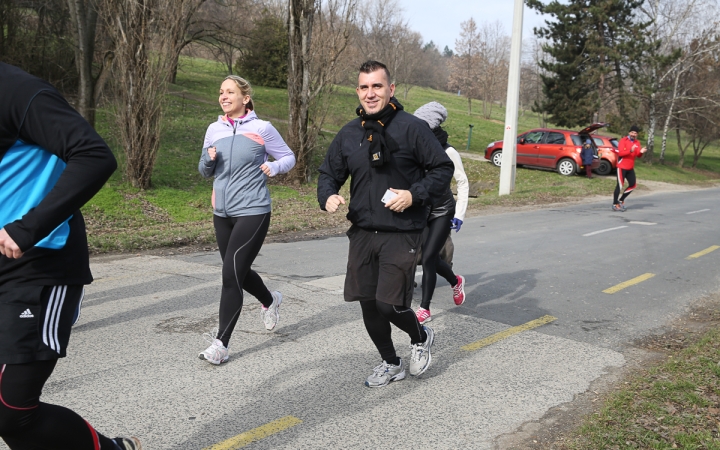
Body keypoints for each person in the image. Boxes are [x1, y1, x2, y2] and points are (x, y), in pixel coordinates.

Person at [0, 63, 141, 449]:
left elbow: (95, 156)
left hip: (37, 264)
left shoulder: (17, 91)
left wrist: (27, 228)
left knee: (13, 412)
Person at [317, 61, 454, 388]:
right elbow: (328, 173)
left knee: (388, 304)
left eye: (377, 86)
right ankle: (391, 362)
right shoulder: (350, 133)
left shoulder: (412, 128)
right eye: (364, 87)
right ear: (358, 91)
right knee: (368, 303)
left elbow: (442, 169)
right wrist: (328, 196)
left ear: (390, 89)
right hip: (363, 233)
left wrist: (413, 194)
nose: (370, 93)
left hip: (401, 232)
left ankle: (420, 335)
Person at [197, 75, 296, 365]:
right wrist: (209, 159)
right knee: (237, 270)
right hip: (221, 212)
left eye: (230, 92)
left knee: (230, 275)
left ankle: (221, 344)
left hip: (253, 210)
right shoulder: (214, 129)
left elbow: (288, 156)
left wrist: (274, 167)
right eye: (221, 92)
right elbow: (204, 171)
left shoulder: (262, 128)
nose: (223, 96)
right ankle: (270, 300)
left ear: (246, 98)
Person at [412, 102, 469, 325]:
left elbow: (462, 182)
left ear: (431, 125)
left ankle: (424, 308)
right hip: (421, 208)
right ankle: (456, 281)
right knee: (431, 258)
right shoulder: (416, 147)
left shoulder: (448, 151)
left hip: (443, 210)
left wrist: (460, 214)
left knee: (427, 258)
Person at [612, 125, 646, 211]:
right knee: (620, 186)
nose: (633, 134)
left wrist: (641, 152)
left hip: (630, 167)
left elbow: (638, 155)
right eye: (632, 132)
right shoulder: (623, 140)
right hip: (621, 166)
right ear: (629, 132)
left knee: (633, 185)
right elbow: (620, 153)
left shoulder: (637, 143)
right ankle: (615, 204)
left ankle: (621, 200)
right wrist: (630, 151)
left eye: (635, 133)